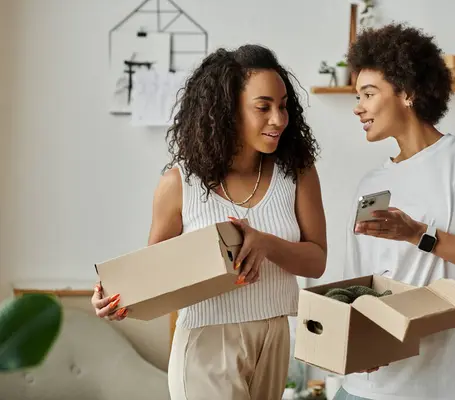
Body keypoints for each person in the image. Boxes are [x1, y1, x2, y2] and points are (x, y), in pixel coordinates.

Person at [91, 44, 327, 400]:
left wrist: (266, 243)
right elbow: (152, 276)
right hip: (207, 342)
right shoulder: (179, 184)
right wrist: (112, 299)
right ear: (227, 110)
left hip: (275, 336)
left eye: (283, 106)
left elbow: (317, 260)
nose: (279, 118)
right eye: (263, 107)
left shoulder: (297, 174)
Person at [333, 23, 455, 400]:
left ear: (406, 92)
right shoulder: (370, 184)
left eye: (369, 93)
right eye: (357, 95)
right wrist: (358, 339)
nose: (358, 107)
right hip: (373, 387)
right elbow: (360, 285)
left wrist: (418, 234)